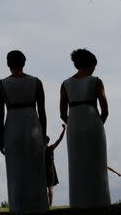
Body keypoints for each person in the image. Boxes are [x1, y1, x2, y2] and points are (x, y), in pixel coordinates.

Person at [0, 50, 48, 213]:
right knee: (35, 168)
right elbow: (42, 112)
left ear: (8, 64)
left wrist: (1, 138)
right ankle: (38, 205)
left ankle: (18, 206)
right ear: (24, 63)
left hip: (12, 125)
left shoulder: (1, 84)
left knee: (15, 169)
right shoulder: (36, 82)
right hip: (32, 122)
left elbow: (0, 114)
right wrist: (43, 134)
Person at [60, 49, 111, 208]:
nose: (94, 69)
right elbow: (105, 110)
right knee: (97, 164)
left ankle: (79, 202)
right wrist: (97, 124)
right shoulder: (96, 81)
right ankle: (99, 201)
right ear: (90, 64)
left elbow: (62, 113)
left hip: (74, 126)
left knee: (77, 165)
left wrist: (74, 123)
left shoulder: (66, 84)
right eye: (93, 66)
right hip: (93, 124)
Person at [45, 124, 66, 206]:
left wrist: (64, 130)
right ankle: (48, 205)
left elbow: (59, 140)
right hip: (45, 171)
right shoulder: (42, 150)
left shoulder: (50, 148)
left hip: (50, 171)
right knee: (48, 189)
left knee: (50, 189)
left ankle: (49, 205)